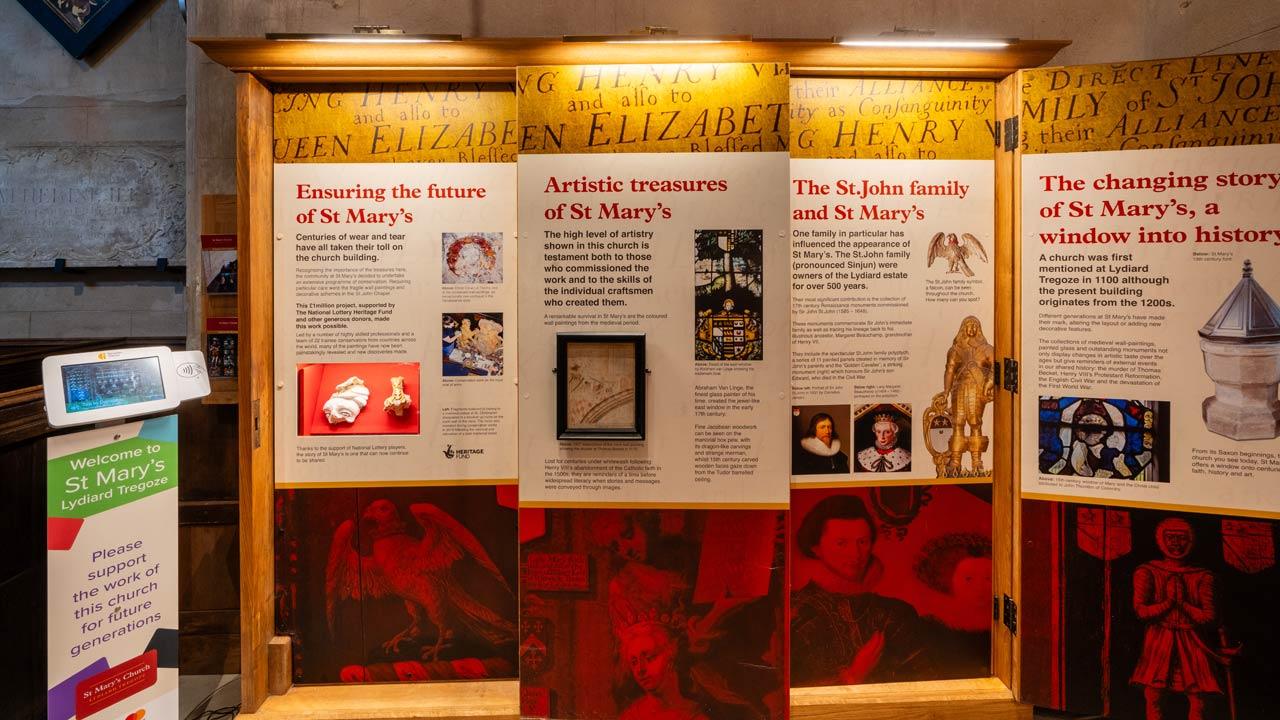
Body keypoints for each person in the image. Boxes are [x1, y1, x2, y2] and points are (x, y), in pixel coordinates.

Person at [791, 495, 930, 686]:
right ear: (816, 548)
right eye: (841, 543)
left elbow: (926, 683)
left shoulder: (895, 613)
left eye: (862, 542)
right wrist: (853, 676)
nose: (855, 554)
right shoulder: (794, 613)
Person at [1130, 518, 1228, 720]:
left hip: (1192, 641)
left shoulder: (1203, 576)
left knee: (1198, 699)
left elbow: (1208, 617)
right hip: (1159, 639)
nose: (1176, 543)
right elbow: (1141, 611)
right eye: (1171, 537)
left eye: (1181, 538)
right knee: (1154, 696)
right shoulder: (1147, 571)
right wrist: (1168, 603)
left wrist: (1182, 603)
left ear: (1190, 541)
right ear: (1161, 540)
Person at [913, 533, 993, 679]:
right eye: (969, 579)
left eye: (988, 578)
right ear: (949, 580)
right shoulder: (931, 628)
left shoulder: (1001, 628)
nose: (980, 587)